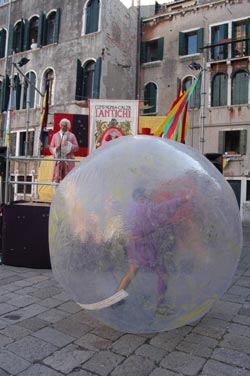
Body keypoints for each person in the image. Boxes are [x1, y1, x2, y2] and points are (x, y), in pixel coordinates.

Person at [117, 187, 191, 314]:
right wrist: (183, 199)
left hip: (134, 243)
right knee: (163, 273)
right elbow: (164, 208)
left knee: (132, 270)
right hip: (145, 245)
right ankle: (160, 305)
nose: (150, 195)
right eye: (148, 193)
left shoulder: (131, 209)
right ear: (144, 195)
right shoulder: (146, 207)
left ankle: (117, 297)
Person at [49, 118, 79, 183]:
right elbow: (51, 147)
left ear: (68, 127)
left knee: (69, 178)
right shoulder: (55, 136)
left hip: (68, 160)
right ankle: (56, 192)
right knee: (56, 177)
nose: (62, 127)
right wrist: (55, 149)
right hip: (58, 159)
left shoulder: (72, 136)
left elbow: (77, 147)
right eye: (62, 125)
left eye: (64, 126)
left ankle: (67, 192)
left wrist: (69, 145)